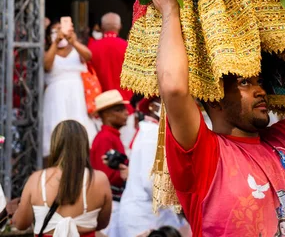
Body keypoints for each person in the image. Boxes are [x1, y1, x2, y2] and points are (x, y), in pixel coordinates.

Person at [151, 0, 285, 237]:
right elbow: (173, 88)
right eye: (245, 83)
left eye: (260, 81)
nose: (260, 90)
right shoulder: (202, 152)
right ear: (215, 100)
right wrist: (170, 10)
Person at [12, 120, 112, 236]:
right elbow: (102, 223)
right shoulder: (99, 179)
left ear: (55, 144)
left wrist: (18, 209)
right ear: (84, 144)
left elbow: (21, 224)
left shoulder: (37, 179)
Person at [118, 97, 189, 236]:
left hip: (150, 215)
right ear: (153, 107)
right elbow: (152, 183)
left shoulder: (152, 132)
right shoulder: (152, 135)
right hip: (145, 218)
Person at [43, 20, 97, 157]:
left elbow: (88, 56)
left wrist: (73, 41)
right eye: (55, 31)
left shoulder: (75, 50)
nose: (60, 33)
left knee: (77, 122)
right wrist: (56, 43)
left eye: (62, 29)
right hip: (56, 96)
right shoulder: (48, 51)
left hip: (76, 94)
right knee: (56, 124)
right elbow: (46, 66)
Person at [90, 90, 129, 237]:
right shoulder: (105, 138)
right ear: (105, 114)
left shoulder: (111, 136)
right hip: (110, 203)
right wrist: (126, 175)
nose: (126, 113)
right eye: (119, 110)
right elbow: (104, 176)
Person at [88, 13, 133, 104]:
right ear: (119, 26)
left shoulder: (91, 48)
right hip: (125, 103)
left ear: (101, 27)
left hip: (100, 103)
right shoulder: (129, 47)